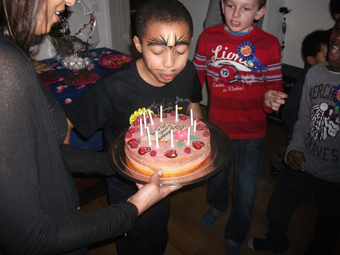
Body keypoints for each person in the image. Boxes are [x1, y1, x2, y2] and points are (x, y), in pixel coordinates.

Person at [0, 0, 180, 254]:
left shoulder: (11, 53)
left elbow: (43, 153)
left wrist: (117, 165)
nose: (71, 1)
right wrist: (134, 207)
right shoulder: (4, 67)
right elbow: (32, 238)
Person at [64, 0, 203, 254]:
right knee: (133, 240)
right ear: (138, 44)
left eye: (181, 50)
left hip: (167, 176)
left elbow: (193, 104)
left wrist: (196, 144)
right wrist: (62, 182)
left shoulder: (189, 71)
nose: (170, 63)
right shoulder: (113, 88)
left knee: (158, 232)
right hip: (127, 185)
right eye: (158, 51)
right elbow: (66, 122)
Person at [193, 0, 287, 254]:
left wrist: (270, 99)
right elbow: (195, 77)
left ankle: (235, 236)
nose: (235, 14)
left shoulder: (269, 43)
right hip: (218, 130)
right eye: (230, 5)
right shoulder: (208, 37)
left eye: (246, 8)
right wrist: (190, 108)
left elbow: (274, 86)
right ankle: (217, 205)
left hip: (252, 134)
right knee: (216, 180)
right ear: (222, 5)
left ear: (259, 12)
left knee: (246, 195)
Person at [248, 17, 340, 255]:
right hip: (304, 164)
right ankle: (276, 243)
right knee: (277, 209)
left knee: (327, 230)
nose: (337, 39)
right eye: (338, 29)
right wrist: (294, 147)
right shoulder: (315, 73)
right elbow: (304, 118)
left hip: (335, 178)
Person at [269, 29, 329, 176]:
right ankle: (277, 160)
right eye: (326, 56)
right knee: (297, 156)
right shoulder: (305, 83)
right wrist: (297, 134)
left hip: (318, 132)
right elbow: (289, 113)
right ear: (311, 60)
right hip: (300, 131)